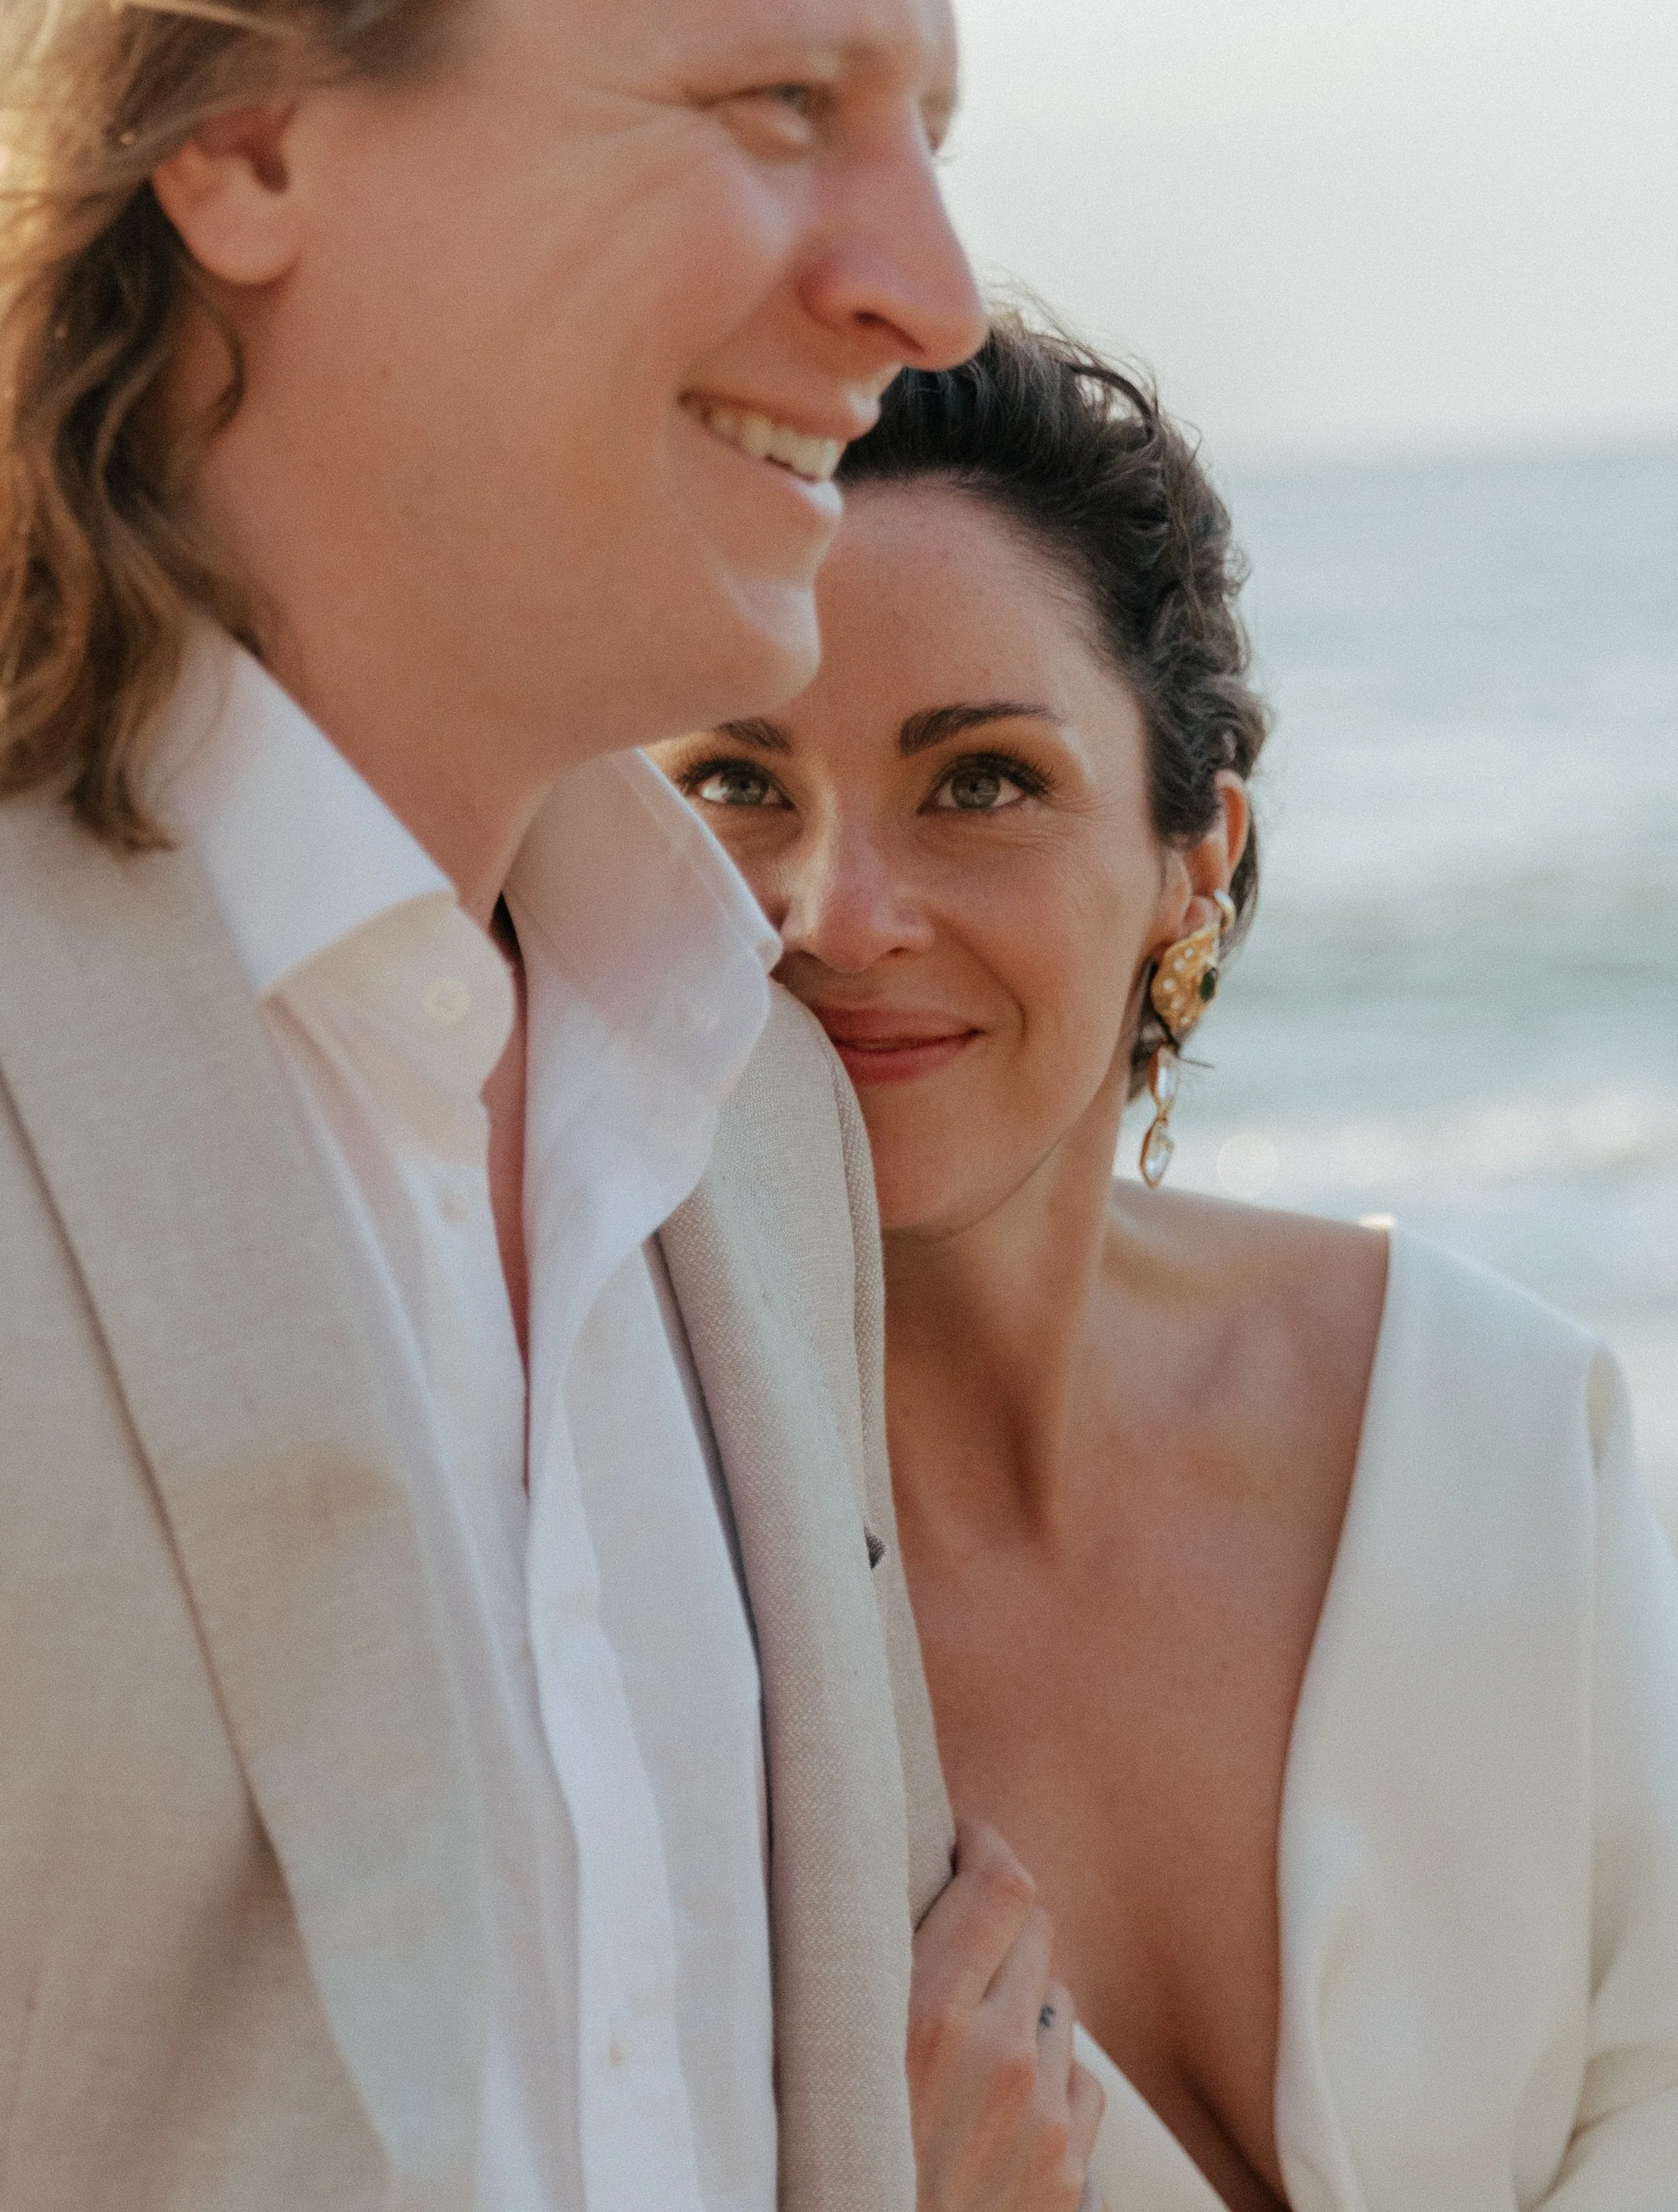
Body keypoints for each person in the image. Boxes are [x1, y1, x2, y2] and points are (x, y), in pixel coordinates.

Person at [0, 7, 1103, 2209]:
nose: (931, 287)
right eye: (780, 106)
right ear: (238, 135)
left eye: (932, 134)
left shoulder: (755, 1120)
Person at [651, 317, 1678, 2212]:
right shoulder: (605, 1588)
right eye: (734, 781)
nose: (840, 909)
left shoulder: (1503, 1434)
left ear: (1191, 854)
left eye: (980, 782)